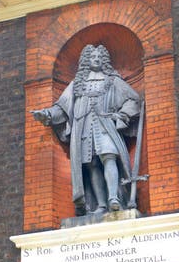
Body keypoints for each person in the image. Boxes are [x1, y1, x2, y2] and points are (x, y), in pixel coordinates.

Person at [31, 44, 140, 216]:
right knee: (92, 164)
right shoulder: (77, 84)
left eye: (99, 57)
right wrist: (47, 114)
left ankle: (114, 198)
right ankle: (102, 205)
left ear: (103, 60)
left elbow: (133, 100)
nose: (96, 59)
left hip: (105, 124)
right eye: (92, 57)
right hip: (83, 127)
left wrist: (122, 115)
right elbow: (62, 107)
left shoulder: (112, 80)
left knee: (109, 155)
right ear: (86, 61)